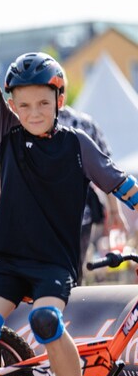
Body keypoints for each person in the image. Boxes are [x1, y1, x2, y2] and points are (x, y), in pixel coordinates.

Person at [0, 0, 138, 376]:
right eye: (24, 104)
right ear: (11, 105)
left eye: (42, 103)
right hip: (12, 261)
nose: (33, 112)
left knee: (46, 322)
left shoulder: (77, 144)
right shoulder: (8, 132)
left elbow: (119, 184)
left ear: (60, 99)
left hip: (54, 263)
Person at [58, 104, 127, 284]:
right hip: (80, 214)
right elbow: (107, 169)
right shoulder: (85, 123)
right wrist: (115, 210)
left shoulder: (30, 122)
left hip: (41, 214)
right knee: (74, 272)